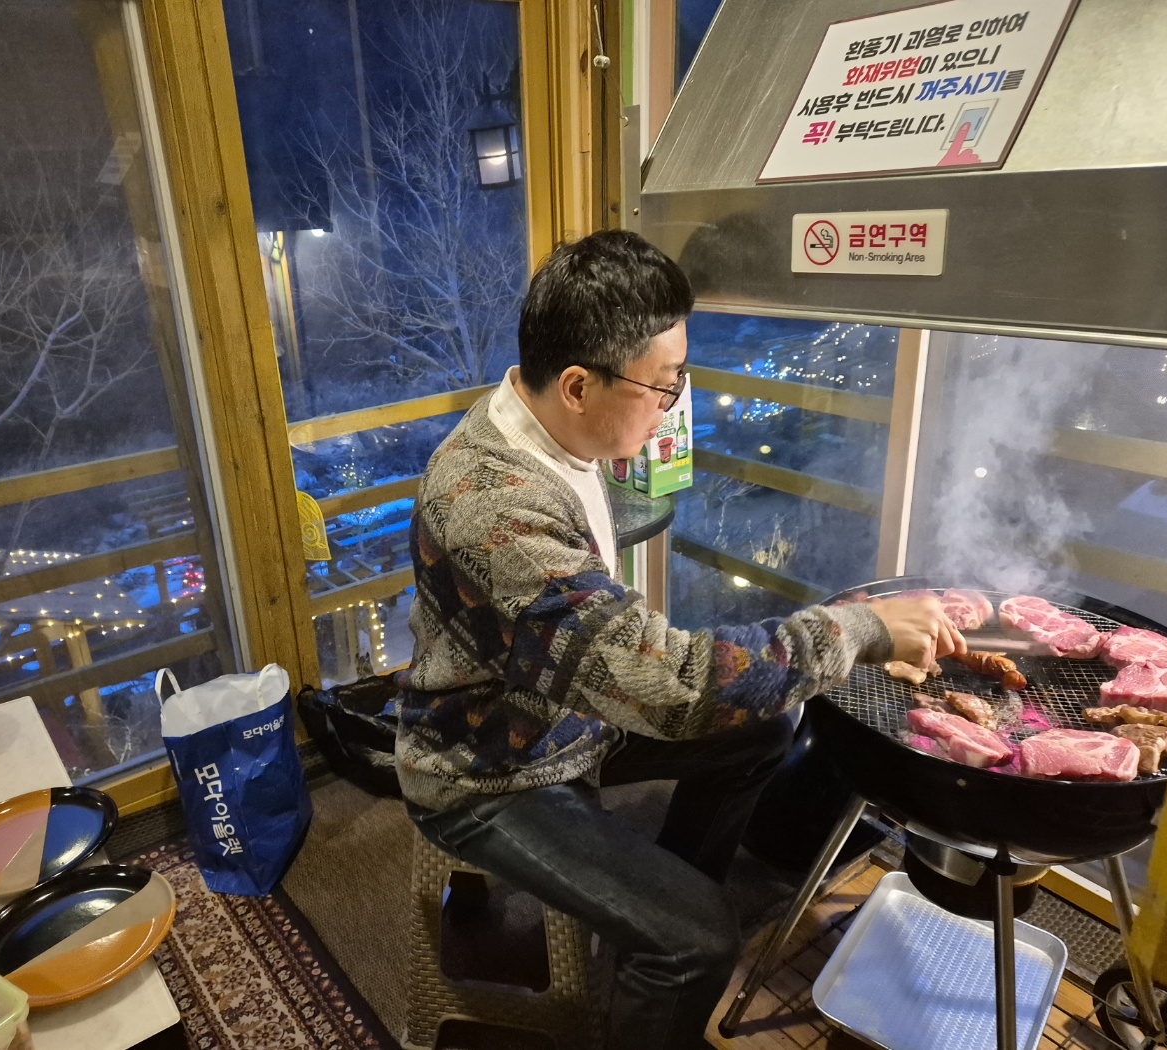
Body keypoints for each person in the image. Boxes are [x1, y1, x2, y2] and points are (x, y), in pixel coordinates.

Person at [395, 229, 962, 1049]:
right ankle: (670, 945)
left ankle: (652, 917)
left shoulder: (541, 424)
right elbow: (665, 687)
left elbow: (629, 661)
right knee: (698, 941)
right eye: (662, 384)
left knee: (763, 729)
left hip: (561, 713)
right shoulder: (494, 508)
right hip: (488, 766)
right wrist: (860, 631)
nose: (671, 402)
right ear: (579, 384)